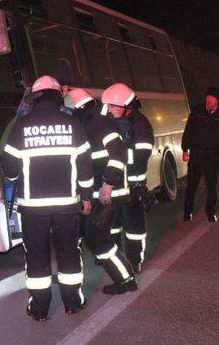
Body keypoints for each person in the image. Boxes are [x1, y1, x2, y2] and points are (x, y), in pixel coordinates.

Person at [1, 75, 95, 321]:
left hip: (33, 208)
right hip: (67, 205)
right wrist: (86, 196)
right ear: (57, 97)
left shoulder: (21, 126)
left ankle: (40, 309)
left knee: (36, 256)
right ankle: (73, 303)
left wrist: (14, 179)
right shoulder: (72, 124)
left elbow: (8, 164)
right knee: (69, 252)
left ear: (35, 98)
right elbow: (85, 166)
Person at [64, 87, 137, 295]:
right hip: (101, 193)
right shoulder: (90, 121)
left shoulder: (97, 122)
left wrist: (108, 185)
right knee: (96, 238)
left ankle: (126, 279)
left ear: (75, 107)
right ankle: (125, 278)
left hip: (109, 194)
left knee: (97, 238)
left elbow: (119, 154)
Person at [100, 83, 154, 273]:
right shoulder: (110, 121)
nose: (109, 110)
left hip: (133, 186)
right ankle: (115, 257)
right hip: (116, 185)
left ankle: (134, 260)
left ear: (125, 106)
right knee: (112, 225)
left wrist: (119, 156)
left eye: (112, 106)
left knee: (134, 228)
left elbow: (141, 155)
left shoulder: (141, 125)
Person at [181, 86, 219, 222]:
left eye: (212, 98)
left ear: (217, 100)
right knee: (192, 184)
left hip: (212, 154)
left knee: (212, 184)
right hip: (196, 153)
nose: (209, 100)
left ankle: (210, 212)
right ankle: (187, 213)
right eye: (208, 97)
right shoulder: (197, 111)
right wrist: (185, 149)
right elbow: (188, 131)